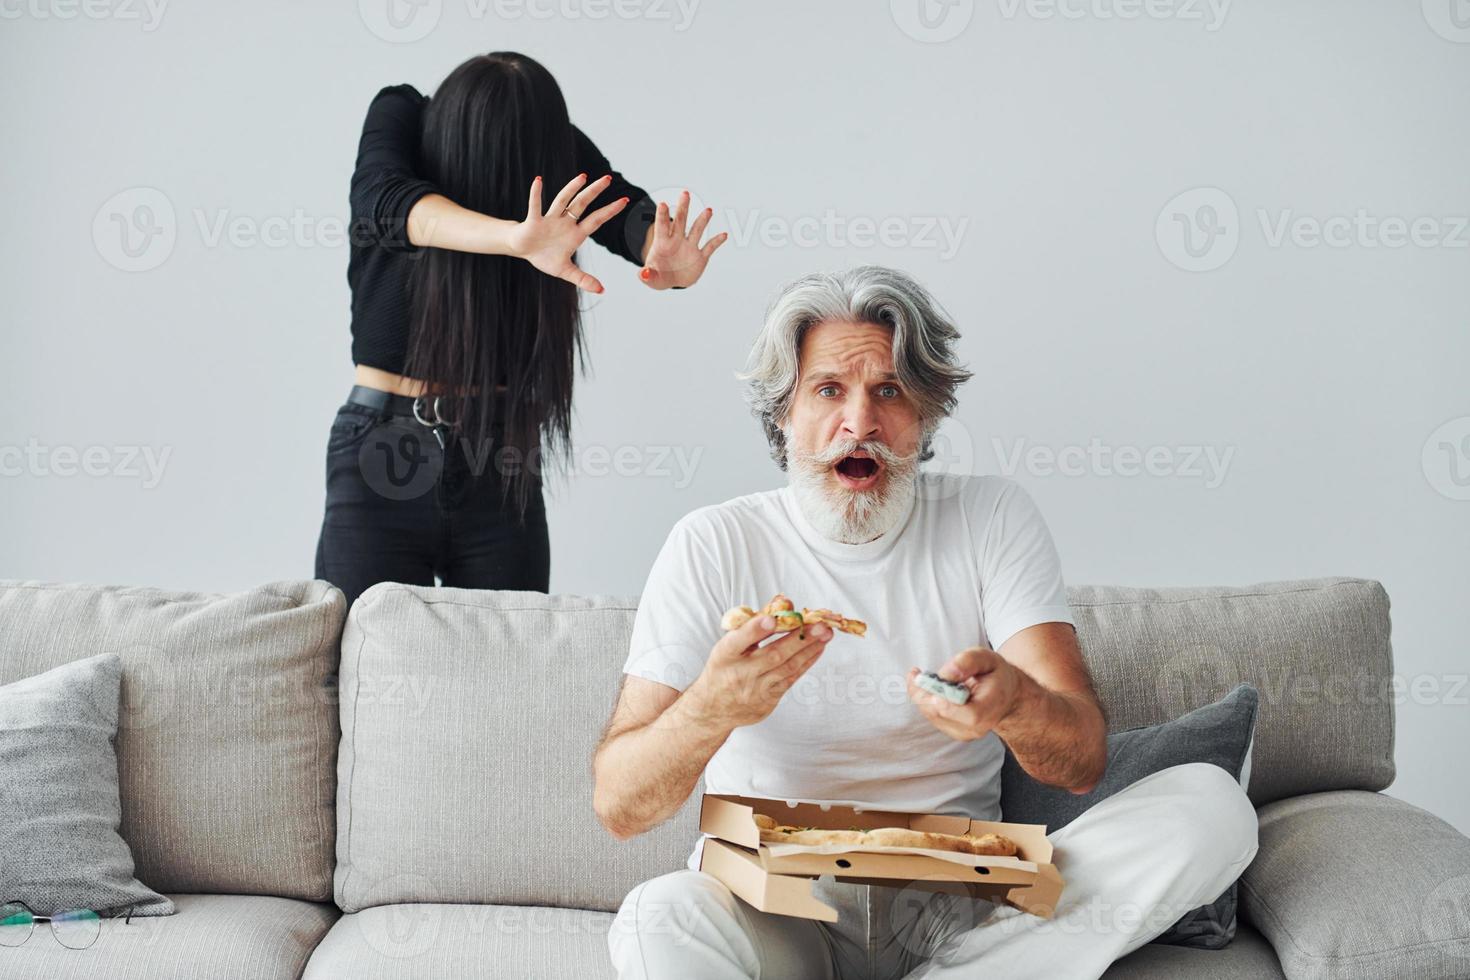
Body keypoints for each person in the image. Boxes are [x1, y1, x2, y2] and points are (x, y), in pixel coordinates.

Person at [592, 266, 1258, 978]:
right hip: (777, 905)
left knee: (1212, 807)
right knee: (655, 917)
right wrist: (712, 706)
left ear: (929, 412)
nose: (861, 423)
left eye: (890, 391)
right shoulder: (713, 542)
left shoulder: (992, 519)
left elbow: (1081, 760)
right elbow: (620, 806)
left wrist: (1015, 702)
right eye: (828, 391)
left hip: (959, 909)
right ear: (782, 414)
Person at [314, 51, 726, 606]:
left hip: (500, 456)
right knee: (355, 660)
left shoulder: (552, 143)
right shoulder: (403, 115)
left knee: (512, 670)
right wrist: (516, 238)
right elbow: (381, 201)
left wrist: (663, 254)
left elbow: (623, 213)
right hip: (384, 449)